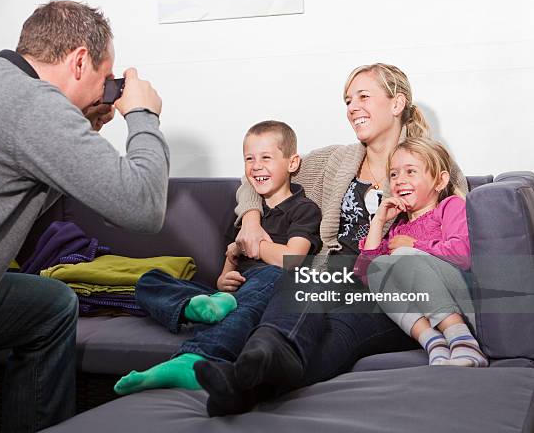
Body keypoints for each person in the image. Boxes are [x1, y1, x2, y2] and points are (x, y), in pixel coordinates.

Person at [0, 1, 169, 432]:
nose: (105, 92)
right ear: (79, 61)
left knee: (50, 305)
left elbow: (20, 182)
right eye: (104, 78)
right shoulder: (33, 106)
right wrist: (143, 116)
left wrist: (84, 124)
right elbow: (143, 206)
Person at [194, 63, 469, 416]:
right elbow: (258, 176)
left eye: (363, 97)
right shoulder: (334, 160)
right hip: (333, 274)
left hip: (386, 288)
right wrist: (250, 219)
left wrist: (416, 249)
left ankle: (244, 384)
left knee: (339, 332)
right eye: (347, 100)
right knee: (302, 283)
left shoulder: (431, 162)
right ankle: (252, 368)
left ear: (397, 103)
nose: (352, 107)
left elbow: (457, 237)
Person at [114, 120, 322, 395]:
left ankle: (193, 360)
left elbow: (292, 260)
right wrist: (224, 279)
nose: (256, 166)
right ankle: (197, 306)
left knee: (271, 279)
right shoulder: (246, 216)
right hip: (236, 290)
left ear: (292, 163)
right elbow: (228, 264)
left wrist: (252, 246)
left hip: (272, 286)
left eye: (266, 158)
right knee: (148, 281)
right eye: (249, 158)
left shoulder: (304, 209)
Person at [356, 137, 487, 367]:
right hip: (430, 317)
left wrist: (413, 246)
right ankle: (433, 342)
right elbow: (365, 275)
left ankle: (464, 340)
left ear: (439, 181)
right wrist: (378, 221)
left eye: (410, 171)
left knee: (401, 256)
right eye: (394, 174)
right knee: (379, 268)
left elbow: (463, 255)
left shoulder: (450, 206)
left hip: (463, 304)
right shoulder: (399, 228)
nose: (399, 181)